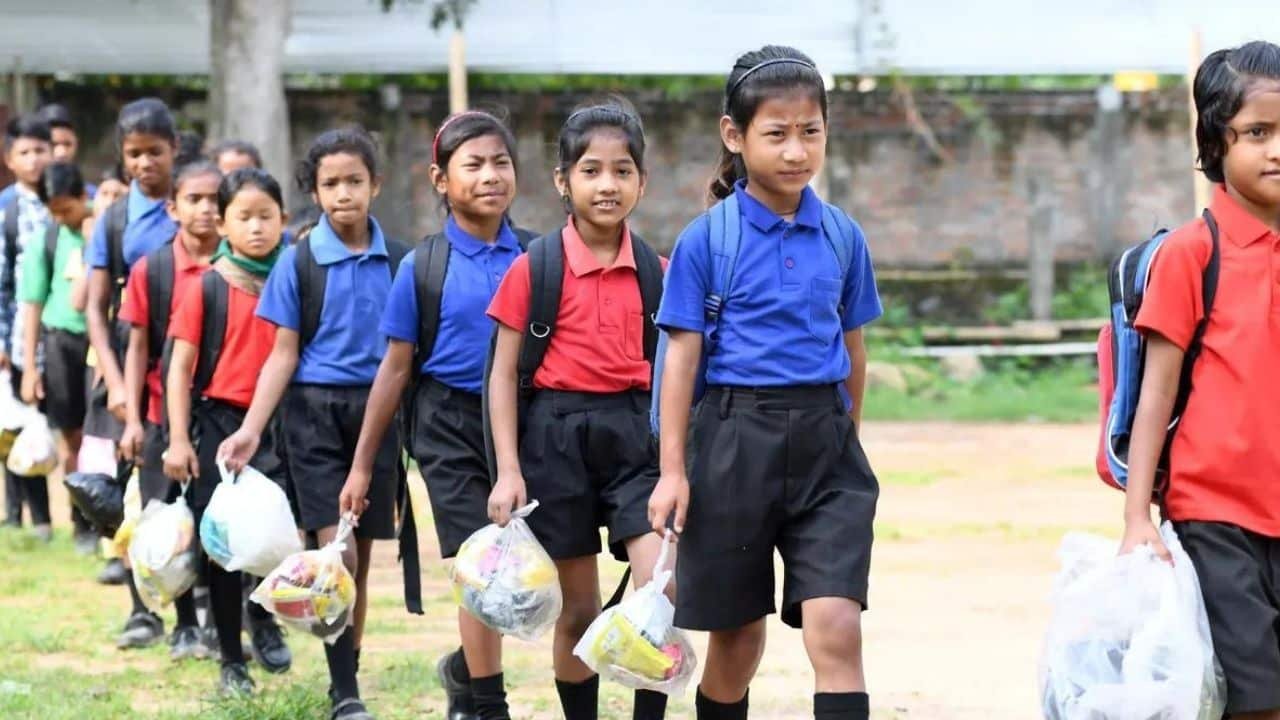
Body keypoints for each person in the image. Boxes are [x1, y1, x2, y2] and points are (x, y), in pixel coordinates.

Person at [649, 46, 882, 720]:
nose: (795, 151)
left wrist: (845, 437)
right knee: (738, 639)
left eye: (810, 131)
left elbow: (853, 349)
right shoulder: (706, 241)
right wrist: (672, 471)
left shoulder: (842, 237)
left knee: (837, 625)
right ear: (735, 136)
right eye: (775, 134)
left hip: (826, 447)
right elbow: (681, 362)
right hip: (730, 441)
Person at [485, 99, 670, 720]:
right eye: (591, 170)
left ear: (642, 181)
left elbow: (679, 374)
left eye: (622, 171)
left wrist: (677, 465)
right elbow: (503, 377)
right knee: (580, 609)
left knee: (659, 595)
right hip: (554, 439)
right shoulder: (531, 269)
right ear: (564, 181)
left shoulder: (658, 274)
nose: (608, 184)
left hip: (635, 438)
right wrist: (509, 469)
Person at [342, 110, 529, 720]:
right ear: (440, 179)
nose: (490, 176)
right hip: (447, 426)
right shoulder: (421, 269)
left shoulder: (538, 257)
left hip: (526, 421)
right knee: (478, 564)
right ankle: (486, 702)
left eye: (500, 162)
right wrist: (364, 468)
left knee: (519, 567)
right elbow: (394, 371)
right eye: (472, 165)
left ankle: (463, 667)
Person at [219, 126, 409, 720]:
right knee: (338, 554)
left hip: (378, 418)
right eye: (330, 183)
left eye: (355, 180)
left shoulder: (400, 261)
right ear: (315, 191)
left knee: (364, 557)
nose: (344, 193)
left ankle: (344, 670)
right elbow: (282, 353)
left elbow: (409, 357)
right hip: (313, 417)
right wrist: (252, 428)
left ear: (375, 185)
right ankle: (344, 688)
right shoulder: (299, 262)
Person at [1120, 40, 1280, 720]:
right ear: (1215, 142)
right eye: (1257, 132)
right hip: (1216, 517)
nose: (1277, 150)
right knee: (1256, 700)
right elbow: (1156, 394)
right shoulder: (1194, 252)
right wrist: (1136, 519)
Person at [165, 167, 291, 694]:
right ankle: (231, 659)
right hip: (219, 425)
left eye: (267, 216)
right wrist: (175, 439)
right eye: (244, 217)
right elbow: (178, 367)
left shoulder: (291, 280)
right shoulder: (205, 286)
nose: (256, 228)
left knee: (273, 536)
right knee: (222, 547)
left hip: (281, 424)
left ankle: (264, 619)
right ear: (223, 223)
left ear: (283, 220)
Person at [116, 160, 222, 656]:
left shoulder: (238, 266)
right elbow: (137, 346)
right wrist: (134, 418)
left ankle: (224, 621)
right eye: (194, 200)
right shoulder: (152, 269)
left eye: (214, 200)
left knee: (216, 519)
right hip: (163, 410)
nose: (205, 210)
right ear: (173, 207)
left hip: (223, 412)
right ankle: (182, 624)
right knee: (169, 521)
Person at [19, 161, 91, 551]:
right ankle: (79, 521)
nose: (61, 217)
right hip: (61, 342)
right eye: (54, 211)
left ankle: (106, 521)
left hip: (100, 345)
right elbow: (31, 306)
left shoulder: (102, 230)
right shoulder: (47, 240)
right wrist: (30, 366)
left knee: (100, 439)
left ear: (84, 197)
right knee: (71, 438)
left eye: (66, 209)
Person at [0, 113, 53, 538]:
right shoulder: (7, 209)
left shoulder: (68, 200)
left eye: (41, 150)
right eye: (25, 152)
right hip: (20, 338)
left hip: (63, 336)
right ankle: (31, 517)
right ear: (10, 159)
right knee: (20, 424)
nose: (34, 160)